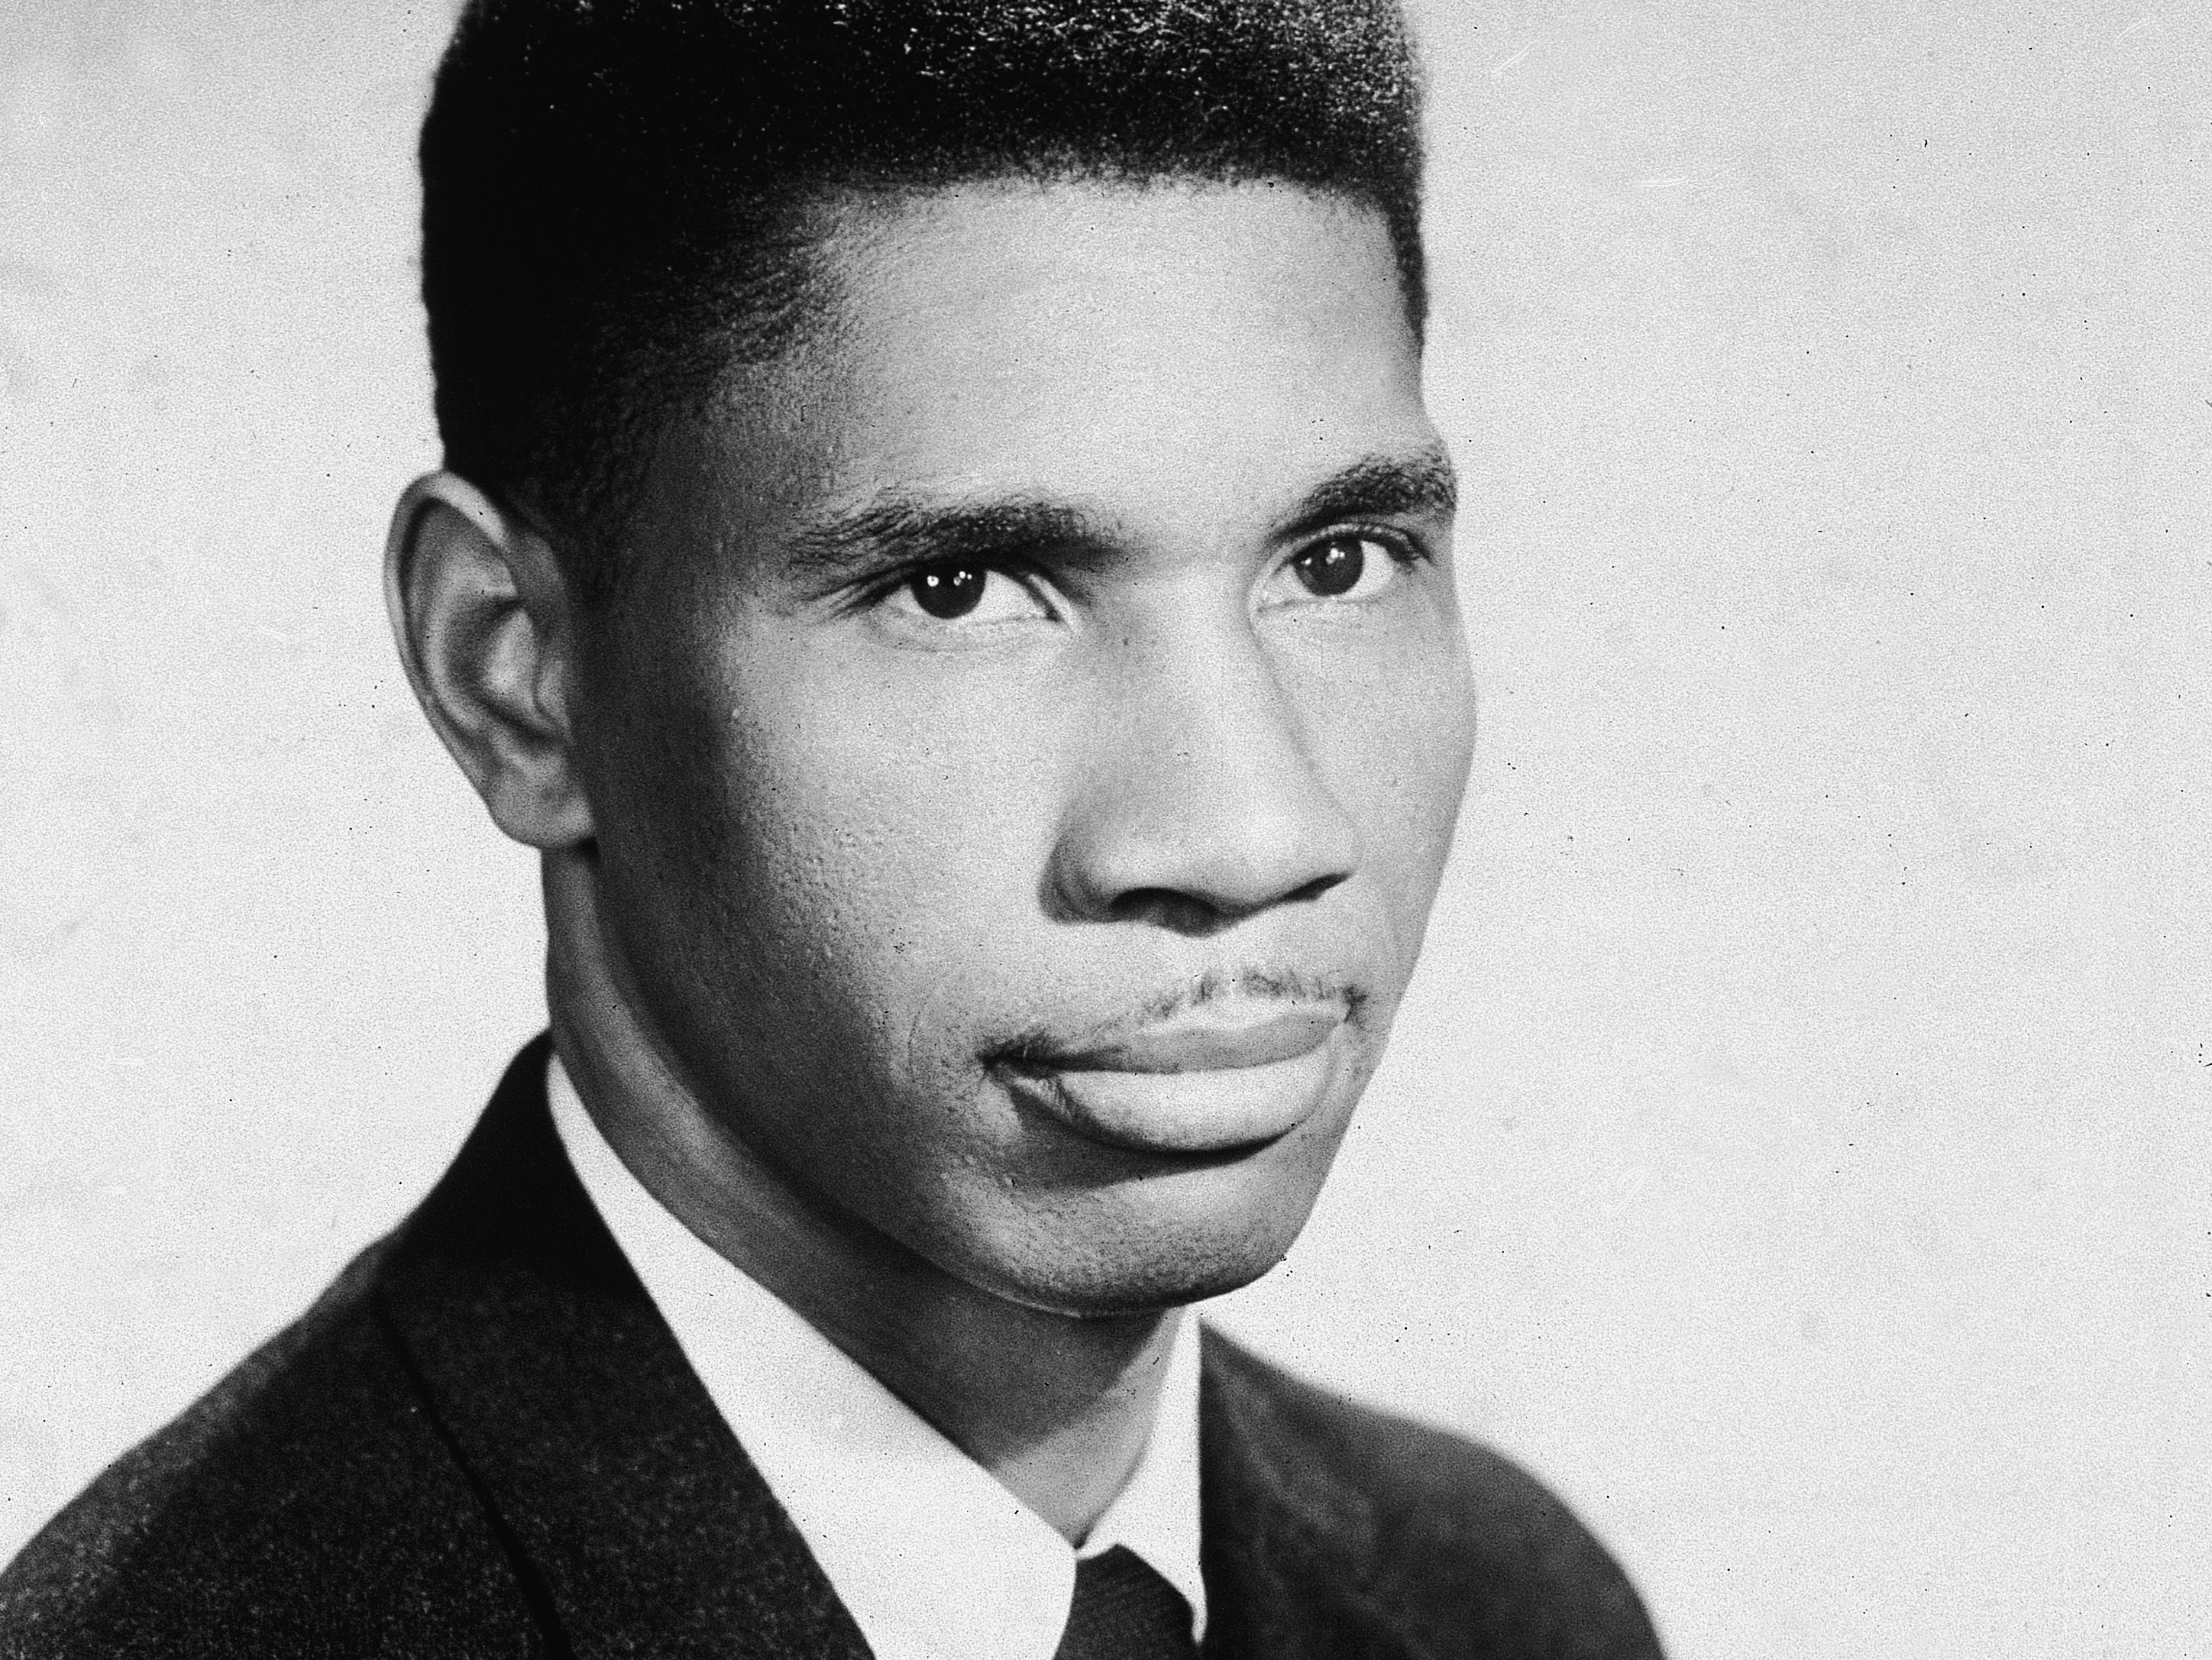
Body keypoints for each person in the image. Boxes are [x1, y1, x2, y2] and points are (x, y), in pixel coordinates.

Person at [0, 2, 1663, 1655]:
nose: (1248, 831)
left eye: (1336, 560)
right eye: (961, 589)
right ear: (515, 675)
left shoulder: (1501, 1605)